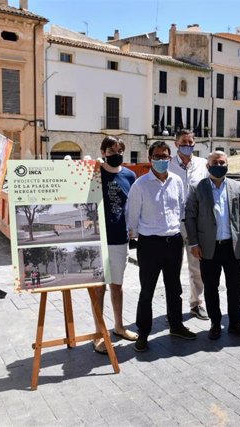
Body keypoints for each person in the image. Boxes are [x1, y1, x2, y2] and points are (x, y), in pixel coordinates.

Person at [128, 141, 197, 352]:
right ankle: (143, 333)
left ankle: (176, 326)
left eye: (164, 156)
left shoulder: (177, 181)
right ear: (150, 159)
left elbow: (182, 210)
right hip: (150, 244)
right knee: (147, 291)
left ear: (170, 157)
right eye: (157, 156)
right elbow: (132, 216)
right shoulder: (140, 185)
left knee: (174, 288)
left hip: (173, 242)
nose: (161, 160)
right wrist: (136, 237)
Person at [185, 151, 240, 339]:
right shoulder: (197, 188)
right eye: (215, 162)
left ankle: (234, 322)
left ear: (228, 164)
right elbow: (190, 216)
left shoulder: (238, 187)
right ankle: (215, 323)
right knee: (211, 288)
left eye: (222, 162)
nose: (219, 165)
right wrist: (193, 243)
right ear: (208, 166)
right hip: (208, 248)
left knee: (234, 287)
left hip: (233, 247)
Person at [91, 136, 138, 355]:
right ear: (103, 152)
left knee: (117, 285)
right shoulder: (92, 172)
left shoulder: (130, 175)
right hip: (96, 238)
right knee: (98, 288)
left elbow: (132, 206)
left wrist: (133, 229)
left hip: (120, 239)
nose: (116, 153)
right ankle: (99, 332)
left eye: (119, 149)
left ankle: (119, 326)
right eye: (111, 149)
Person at [168, 129, 210, 321]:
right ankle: (173, 308)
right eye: (184, 142)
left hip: (196, 223)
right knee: (173, 267)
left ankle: (196, 303)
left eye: (191, 142)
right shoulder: (167, 165)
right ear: (176, 144)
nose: (188, 145)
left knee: (197, 266)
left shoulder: (203, 164)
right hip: (174, 223)